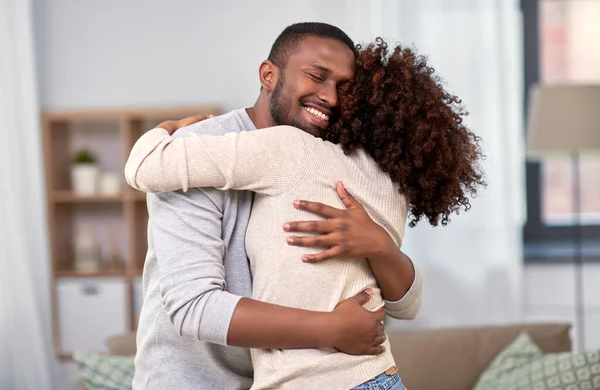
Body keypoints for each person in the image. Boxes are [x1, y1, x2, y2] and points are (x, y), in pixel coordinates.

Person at [126, 38, 484, 389]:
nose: (330, 97)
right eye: (316, 76)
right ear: (268, 75)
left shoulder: (327, 155)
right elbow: (194, 306)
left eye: (344, 87)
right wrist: (332, 328)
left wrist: (380, 246)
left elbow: (408, 303)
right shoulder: (200, 147)